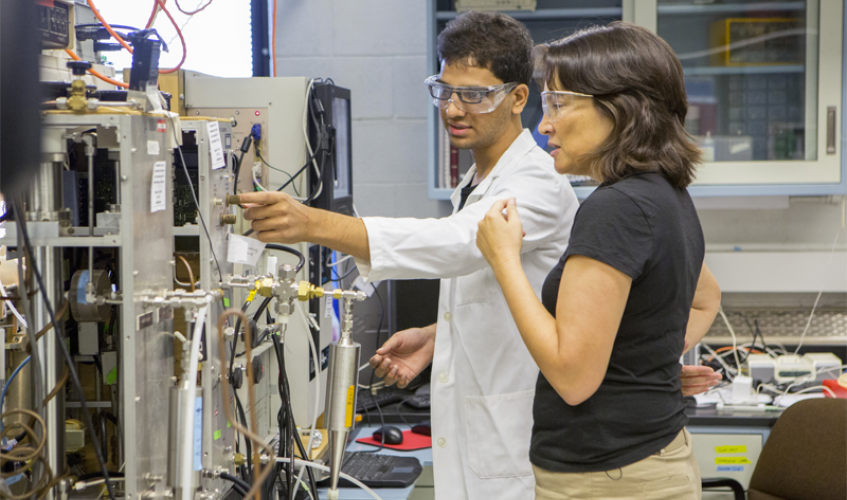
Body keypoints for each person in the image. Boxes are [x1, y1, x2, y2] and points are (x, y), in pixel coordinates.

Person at [239, 13, 719, 500]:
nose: (453, 108)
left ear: (516, 98)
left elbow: (455, 245)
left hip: (559, 456)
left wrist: (312, 223)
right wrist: (441, 335)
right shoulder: (659, 194)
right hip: (592, 452)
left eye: (474, 94)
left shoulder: (556, 189)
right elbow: (699, 298)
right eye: (445, 91)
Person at [476, 22, 722, 500]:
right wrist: (645, 366)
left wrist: (504, 259)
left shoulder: (615, 208)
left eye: (558, 104)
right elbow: (704, 300)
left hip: (612, 480)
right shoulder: (664, 194)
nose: (543, 124)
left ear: (620, 109)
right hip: (651, 459)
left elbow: (572, 379)